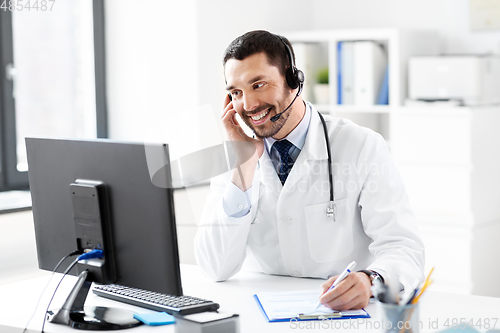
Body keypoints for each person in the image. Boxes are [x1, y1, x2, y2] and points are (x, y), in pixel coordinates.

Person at [194, 30, 424, 311]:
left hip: (342, 315)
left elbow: (403, 248)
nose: (249, 105)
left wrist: (370, 280)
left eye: (259, 84)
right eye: (236, 92)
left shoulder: (361, 145)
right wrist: (242, 169)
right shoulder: (234, 155)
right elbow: (213, 267)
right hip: (260, 315)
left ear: (293, 80)